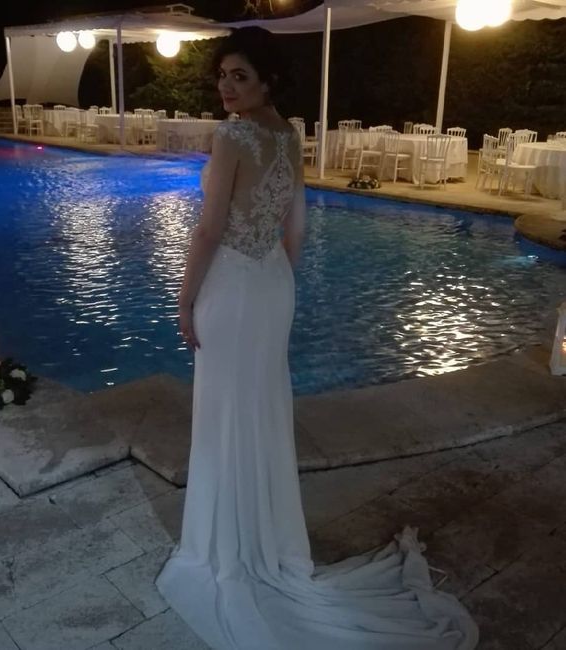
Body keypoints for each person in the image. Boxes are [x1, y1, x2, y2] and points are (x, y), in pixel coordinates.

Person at [155, 26, 479, 650]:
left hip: (232, 286)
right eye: (222, 76)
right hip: (272, 284)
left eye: (240, 76)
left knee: (226, 412)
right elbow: (296, 227)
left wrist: (185, 298)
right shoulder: (289, 135)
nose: (226, 87)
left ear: (268, 80)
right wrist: (278, 279)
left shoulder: (232, 137)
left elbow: (208, 230)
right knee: (262, 410)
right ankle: (267, 539)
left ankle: (227, 544)